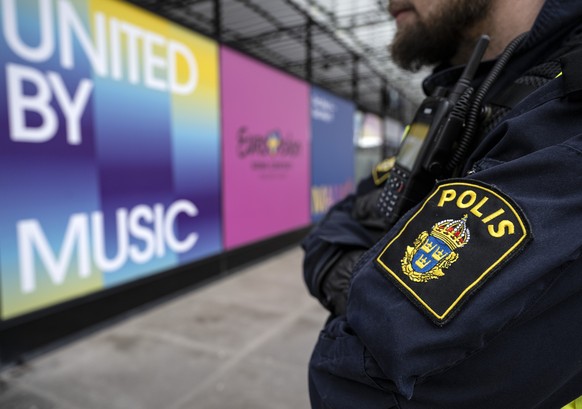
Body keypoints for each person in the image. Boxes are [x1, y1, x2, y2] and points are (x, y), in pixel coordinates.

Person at [303, 0, 582, 407]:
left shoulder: (567, 107)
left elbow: (359, 382)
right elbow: (338, 223)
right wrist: (358, 286)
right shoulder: (462, 95)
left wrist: (360, 284)